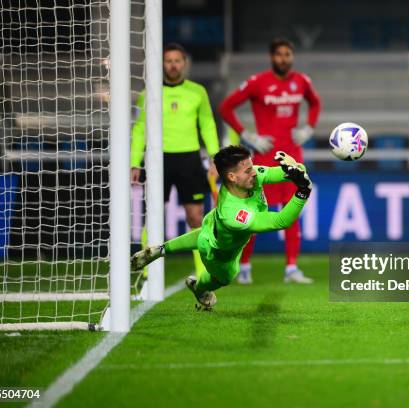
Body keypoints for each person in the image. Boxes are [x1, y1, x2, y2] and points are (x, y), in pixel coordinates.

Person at [130, 145, 312, 310]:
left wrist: (293, 167)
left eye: (252, 167)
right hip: (217, 252)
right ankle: (199, 289)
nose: (254, 173)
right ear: (232, 176)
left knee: (205, 233)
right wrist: (302, 193)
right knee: (225, 276)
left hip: (212, 224)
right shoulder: (234, 214)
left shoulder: (248, 176)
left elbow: (285, 173)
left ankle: (161, 249)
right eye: (248, 170)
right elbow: (280, 221)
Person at [219, 38, 321, 284]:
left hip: (293, 156)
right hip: (265, 156)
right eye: (279, 54)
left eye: (287, 54)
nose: (283, 58)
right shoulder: (258, 83)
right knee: (253, 213)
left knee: (292, 210)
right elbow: (226, 107)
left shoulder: (301, 81)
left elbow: (315, 103)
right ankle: (243, 267)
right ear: (271, 57)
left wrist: (308, 128)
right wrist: (247, 135)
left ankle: (291, 269)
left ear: (292, 57)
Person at [130, 43, 219, 278]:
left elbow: (208, 124)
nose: (173, 65)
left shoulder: (197, 91)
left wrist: (215, 157)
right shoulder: (148, 94)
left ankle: (202, 271)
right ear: (162, 64)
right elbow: (139, 129)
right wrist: (134, 162)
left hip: (189, 159)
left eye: (177, 60)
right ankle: (147, 272)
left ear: (184, 63)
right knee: (153, 214)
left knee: (195, 216)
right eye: (168, 60)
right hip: (158, 159)